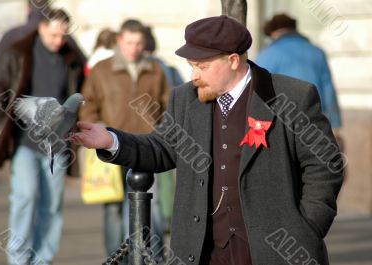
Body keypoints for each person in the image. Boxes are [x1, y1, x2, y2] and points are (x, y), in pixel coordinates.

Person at [70, 15, 343, 265]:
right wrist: (110, 141)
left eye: (202, 66)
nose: (194, 75)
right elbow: (162, 147)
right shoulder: (186, 99)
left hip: (276, 252)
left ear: (233, 60)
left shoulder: (292, 96)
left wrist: (307, 225)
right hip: (202, 251)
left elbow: (325, 164)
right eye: (191, 66)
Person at [0, 9, 85, 265]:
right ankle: (18, 260)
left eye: (63, 36)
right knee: (25, 197)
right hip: (24, 142)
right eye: (53, 35)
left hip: (58, 144)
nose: (58, 41)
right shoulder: (18, 53)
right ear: (41, 28)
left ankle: (43, 260)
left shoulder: (71, 58)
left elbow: (80, 92)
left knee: (51, 206)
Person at [78, 19, 170, 263]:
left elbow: (168, 107)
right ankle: (116, 259)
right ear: (120, 41)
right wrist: (99, 132)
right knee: (113, 210)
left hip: (148, 149)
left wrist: (161, 133)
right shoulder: (101, 70)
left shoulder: (156, 70)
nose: (134, 48)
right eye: (129, 42)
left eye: (139, 43)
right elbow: (87, 106)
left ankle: (154, 259)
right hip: (111, 147)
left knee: (155, 209)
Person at [255, 13, 342, 130]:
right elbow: (328, 90)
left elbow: (257, 92)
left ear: (273, 33)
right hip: (314, 120)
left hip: (281, 122)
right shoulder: (317, 52)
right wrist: (336, 125)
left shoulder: (267, 55)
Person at [0, 0, 86, 74]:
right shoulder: (64, 35)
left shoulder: (11, 35)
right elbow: (83, 65)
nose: (58, 41)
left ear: (27, 8)